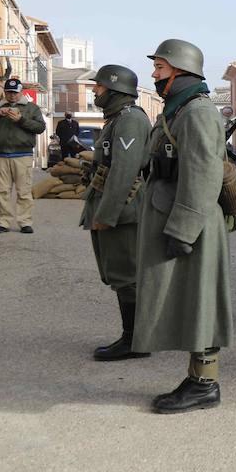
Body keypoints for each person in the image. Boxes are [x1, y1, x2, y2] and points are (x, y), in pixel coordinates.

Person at [132, 38, 232, 414]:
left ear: (180, 71)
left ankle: (205, 384)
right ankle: (198, 379)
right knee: (189, 303)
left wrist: (183, 230)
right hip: (174, 216)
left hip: (191, 224)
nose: (154, 76)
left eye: (159, 68)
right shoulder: (179, 110)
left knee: (199, 302)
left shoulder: (198, 112)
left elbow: (204, 174)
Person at [80, 64, 152, 360]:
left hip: (124, 211)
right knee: (121, 275)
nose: (95, 91)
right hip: (117, 208)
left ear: (115, 90)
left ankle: (135, 341)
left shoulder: (130, 120)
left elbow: (124, 172)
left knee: (126, 276)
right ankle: (136, 337)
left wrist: (105, 215)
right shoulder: (116, 119)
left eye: (99, 86)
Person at [0, 78, 45, 233]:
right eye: (9, 92)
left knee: (24, 191)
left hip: (23, 155)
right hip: (1, 155)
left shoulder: (32, 108)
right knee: (2, 191)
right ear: (5, 92)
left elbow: (40, 127)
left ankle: (25, 222)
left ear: (21, 92)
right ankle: (3, 222)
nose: (12, 95)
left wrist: (21, 120)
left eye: (15, 92)